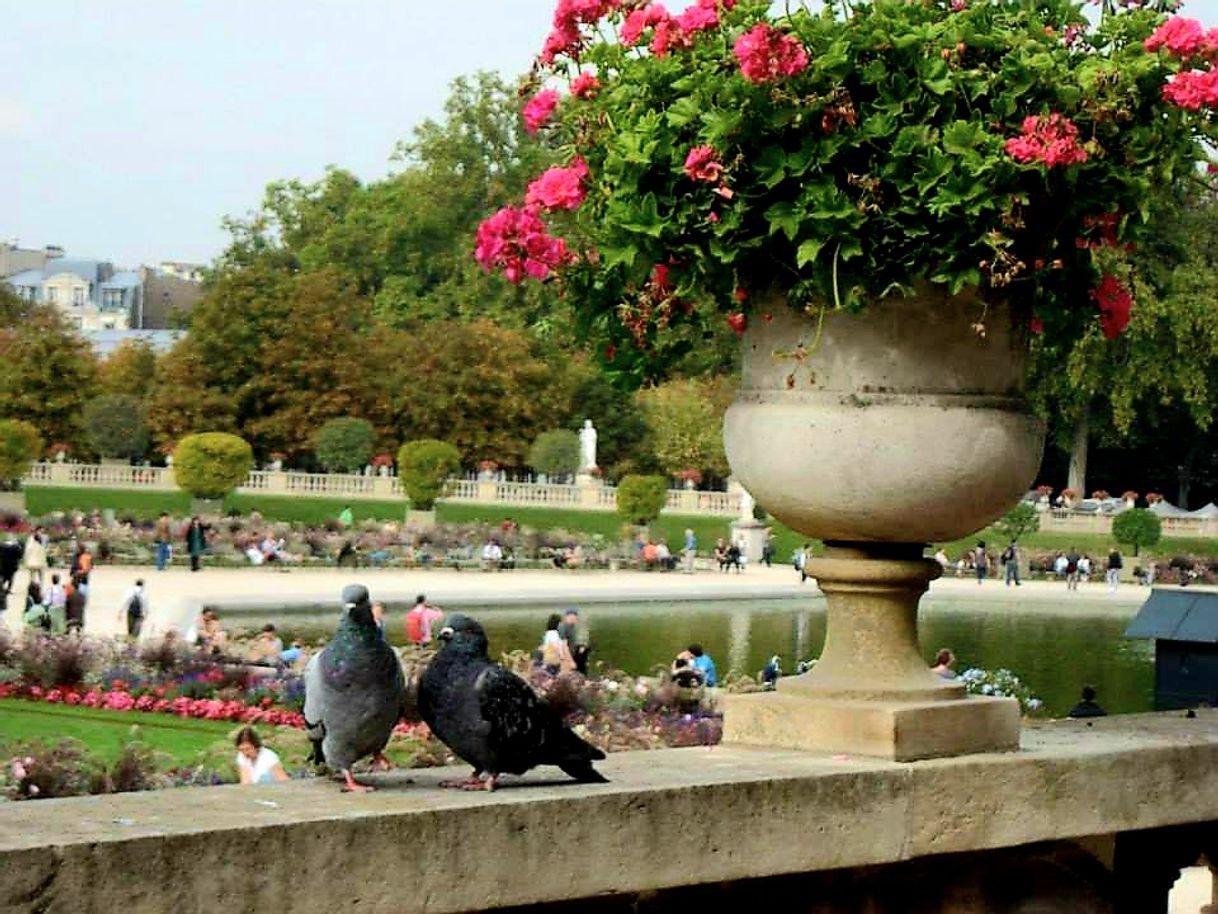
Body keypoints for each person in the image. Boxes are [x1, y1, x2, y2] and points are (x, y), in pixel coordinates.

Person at [558, 609, 591, 674]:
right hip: (564, 657)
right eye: (571, 618)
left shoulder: (572, 626)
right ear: (566, 617)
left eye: (575, 618)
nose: (573, 620)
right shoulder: (563, 627)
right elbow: (564, 646)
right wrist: (570, 661)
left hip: (572, 653)